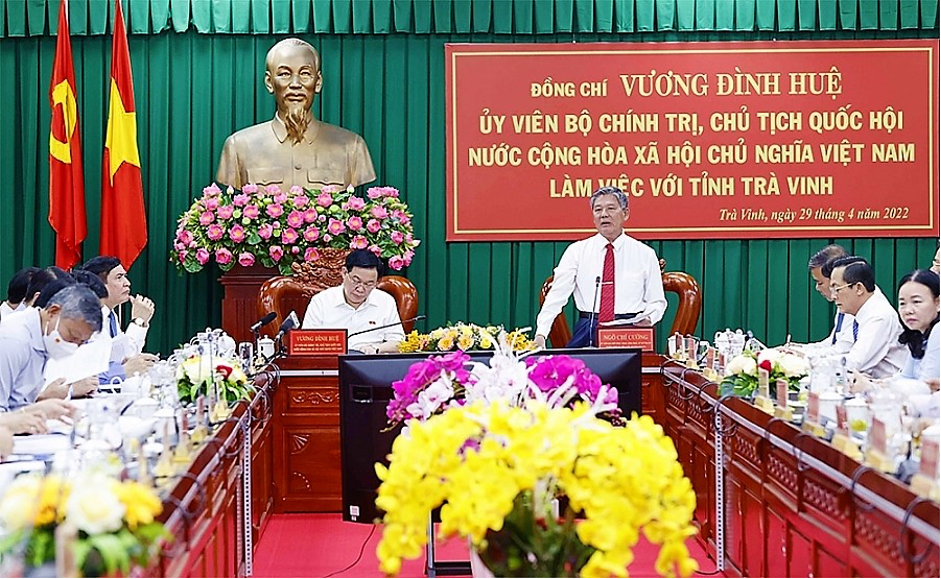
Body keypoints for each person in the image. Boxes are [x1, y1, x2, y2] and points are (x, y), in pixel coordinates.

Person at [216, 38, 376, 191]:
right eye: (284, 74)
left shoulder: (352, 146)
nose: (295, 84)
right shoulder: (239, 146)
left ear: (318, 82)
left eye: (305, 74)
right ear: (269, 83)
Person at [534, 186, 666, 349]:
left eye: (611, 208)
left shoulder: (645, 254)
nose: (604, 214)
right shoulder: (577, 251)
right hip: (588, 328)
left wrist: (648, 318)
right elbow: (556, 297)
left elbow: (657, 302)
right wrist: (541, 334)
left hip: (629, 331)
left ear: (625, 214)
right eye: (598, 210)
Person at [0, 285, 102, 411]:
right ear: (53, 312)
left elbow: (19, 403)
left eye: (81, 342)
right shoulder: (14, 340)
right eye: (72, 336)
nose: (73, 346)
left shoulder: (43, 338)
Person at [852, 269, 940, 393]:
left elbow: (925, 388)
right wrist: (876, 383)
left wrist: (872, 388)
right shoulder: (919, 336)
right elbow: (906, 377)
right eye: (902, 303)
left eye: (916, 302)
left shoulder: (938, 331)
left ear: (938, 303)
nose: (908, 310)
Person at [301, 250, 404, 354]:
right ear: (344, 273)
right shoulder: (321, 301)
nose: (360, 289)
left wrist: (376, 348)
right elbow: (307, 342)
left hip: (369, 363)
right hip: (330, 364)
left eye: (369, 284)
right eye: (356, 281)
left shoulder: (386, 302)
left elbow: (398, 342)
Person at [825, 256, 907, 378]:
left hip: (888, 391)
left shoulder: (879, 315)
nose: (834, 296)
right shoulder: (861, 311)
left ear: (859, 288)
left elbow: (856, 362)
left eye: (837, 289)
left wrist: (810, 363)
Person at [81, 256, 157, 371]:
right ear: (100, 285)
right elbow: (121, 360)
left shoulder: (111, 315)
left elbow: (125, 358)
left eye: (125, 277)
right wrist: (137, 322)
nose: (127, 283)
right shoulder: (89, 318)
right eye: (119, 277)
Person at [795, 245, 855, 354]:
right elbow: (833, 343)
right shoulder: (843, 301)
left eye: (820, 282)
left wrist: (803, 354)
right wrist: (799, 349)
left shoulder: (856, 306)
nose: (817, 288)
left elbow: (843, 351)